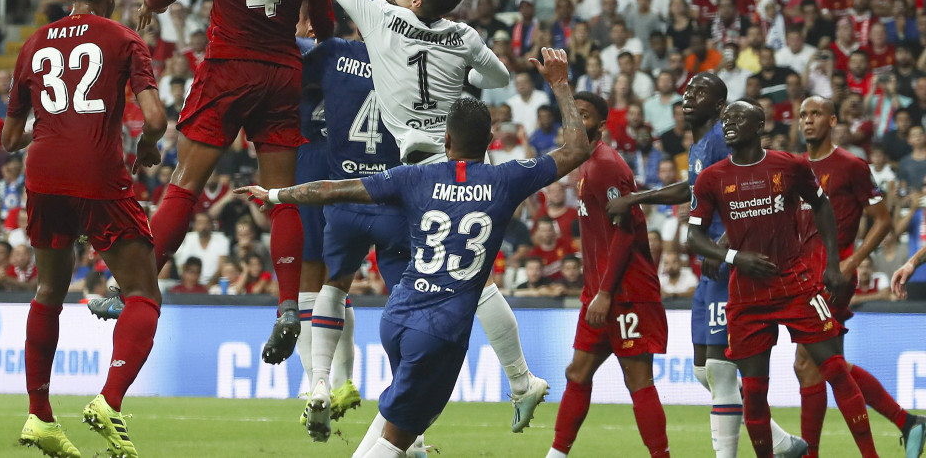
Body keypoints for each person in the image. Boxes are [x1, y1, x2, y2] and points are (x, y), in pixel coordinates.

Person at [251, 0, 548, 434]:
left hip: (412, 175)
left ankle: (366, 403)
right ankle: (519, 379)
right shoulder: (462, 37)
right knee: (475, 280)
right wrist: (461, 67)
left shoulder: (380, 19)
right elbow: (500, 78)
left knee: (402, 289)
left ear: (413, 0)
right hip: (454, 163)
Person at [236, 52, 589, 458]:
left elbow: (334, 190)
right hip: (440, 331)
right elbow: (577, 148)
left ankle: (418, 443)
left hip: (398, 315)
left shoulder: (415, 177)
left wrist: (277, 193)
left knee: (402, 424)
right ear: (490, 143)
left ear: (446, 141)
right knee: (395, 441)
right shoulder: (506, 179)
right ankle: (514, 383)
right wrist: (559, 83)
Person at [139, 0, 335, 365]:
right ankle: (289, 307)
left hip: (227, 69)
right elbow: (326, 22)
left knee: (185, 183)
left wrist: (149, 5)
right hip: (282, 73)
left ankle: (138, 286)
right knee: (281, 196)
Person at [686, 98, 922, 458]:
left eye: (738, 117)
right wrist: (731, 252)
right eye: (725, 118)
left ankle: (865, 446)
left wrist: (839, 262)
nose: (729, 123)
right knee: (772, 382)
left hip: (807, 280)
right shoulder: (719, 176)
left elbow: (843, 210)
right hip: (752, 290)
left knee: (827, 368)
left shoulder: (810, 166)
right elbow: (710, 230)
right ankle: (902, 423)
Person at [4, 0, 167, 458]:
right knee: (143, 293)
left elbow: (10, 138)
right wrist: (144, 147)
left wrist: (52, 127)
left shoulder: (34, 43)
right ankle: (109, 402)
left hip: (43, 174)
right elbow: (156, 120)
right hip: (97, 174)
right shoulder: (122, 38)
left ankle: (39, 416)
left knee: (49, 289)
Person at [606, 72, 803, 458]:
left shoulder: (722, 140)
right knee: (703, 370)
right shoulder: (699, 147)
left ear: (718, 105)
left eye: (699, 92)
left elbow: (750, 187)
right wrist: (636, 198)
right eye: (687, 90)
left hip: (728, 265)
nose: (687, 95)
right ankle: (780, 442)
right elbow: (693, 188)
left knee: (720, 371)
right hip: (709, 263)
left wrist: (727, 239)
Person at [796, 97, 925, 458]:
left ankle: (815, 453)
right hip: (804, 275)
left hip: (834, 275)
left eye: (816, 114)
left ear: (832, 119)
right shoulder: (795, 166)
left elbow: (883, 220)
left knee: (810, 364)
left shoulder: (851, 165)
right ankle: (908, 422)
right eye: (803, 115)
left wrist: (851, 263)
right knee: (826, 364)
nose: (807, 121)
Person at [545, 91, 669, 458]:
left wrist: (605, 293)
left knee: (637, 380)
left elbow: (625, 233)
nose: (575, 123)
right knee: (577, 374)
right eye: (572, 116)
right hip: (598, 292)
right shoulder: (584, 164)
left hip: (625, 291)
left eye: (583, 116)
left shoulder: (605, 165)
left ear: (600, 126)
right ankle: (557, 453)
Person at [298, 33, 409, 441]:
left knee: (332, 283)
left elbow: (294, 72)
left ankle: (321, 380)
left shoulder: (336, 54)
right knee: (404, 299)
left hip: (342, 193)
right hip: (393, 198)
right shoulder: (413, 59)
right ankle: (409, 425)